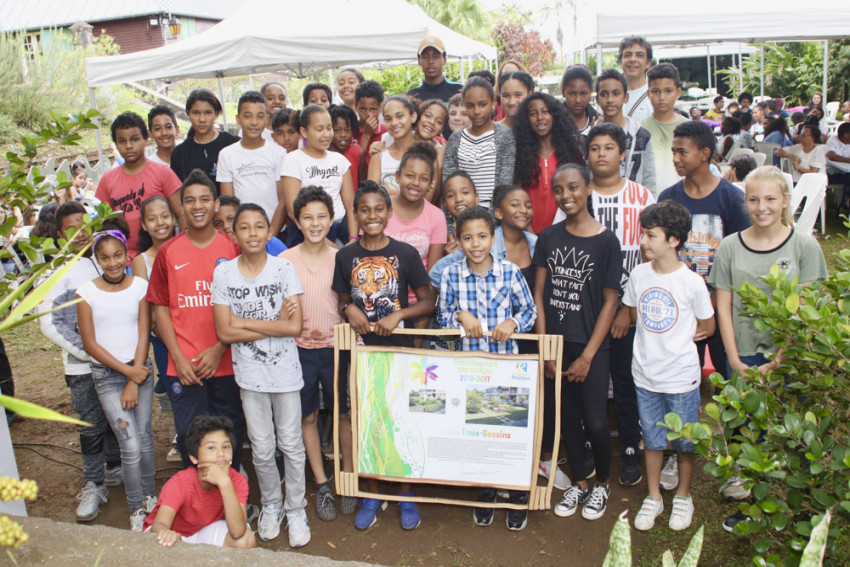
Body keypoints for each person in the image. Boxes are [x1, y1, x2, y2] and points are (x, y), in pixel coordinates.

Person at [707, 166, 827, 531]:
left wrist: (779, 360)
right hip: (741, 356)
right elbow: (722, 306)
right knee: (747, 432)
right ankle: (753, 506)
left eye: (771, 199)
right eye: (754, 199)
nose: (762, 207)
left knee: (794, 431)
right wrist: (733, 358)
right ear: (745, 201)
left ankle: (804, 504)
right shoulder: (729, 246)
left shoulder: (804, 247)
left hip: (788, 359)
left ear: (786, 200)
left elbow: (802, 311)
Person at [332, 181, 436, 531]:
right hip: (360, 356)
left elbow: (427, 300)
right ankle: (371, 495)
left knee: (401, 421)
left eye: (379, 209)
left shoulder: (405, 253)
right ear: (357, 214)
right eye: (365, 210)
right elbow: (342, 296)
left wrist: (399, 315)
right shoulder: (345, 255)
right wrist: (348, 308)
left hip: (397, 352)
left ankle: (406, 495)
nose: (372, 216)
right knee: (365, 423)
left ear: (389, 214)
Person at [657, 120, 751, 491]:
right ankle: (674, 452)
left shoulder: (730, 198)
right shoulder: (668, 197)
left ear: (705, 154)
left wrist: (713, 305)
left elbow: (740, 253)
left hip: (720, 310)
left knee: (731, 384)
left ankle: (739, 463)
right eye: (674, 150)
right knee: (679, 385)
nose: (676, 157)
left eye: (682, 151)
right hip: (682, 314)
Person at [211, 203, 310, 547]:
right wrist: (273, 326)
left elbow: (294, 326)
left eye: (259, 227)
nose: (252, 233)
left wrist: (243, 322)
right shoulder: (224, 274)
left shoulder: (283, 269)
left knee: (292, 445)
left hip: (285, 374)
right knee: (263, 449)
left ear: (270, 231)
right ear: (233, 233)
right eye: (244, 227)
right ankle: (271, 505)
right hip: (249, 376)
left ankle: (296, 508)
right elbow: (224, 333)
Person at [437, 205, 536, 531]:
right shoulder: (452, 275)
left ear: (492, 238)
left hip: (507, 367)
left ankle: (519, 493)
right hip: (470, 368)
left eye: (482, 236)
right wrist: (458, 316)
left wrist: (512, 322)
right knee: (478, 427)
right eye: (467, 238)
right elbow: (442, 315)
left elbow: (530, 312)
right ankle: (487, 488)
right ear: (457, 240)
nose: (475, 244)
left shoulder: (510, 272)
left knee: (510, 428)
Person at [533, 164, 621, 521]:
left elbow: (611, 301)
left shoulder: (606, 241)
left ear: (587, 188)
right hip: (557, 344)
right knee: (567, 417)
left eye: (573, 187)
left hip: (591, 346)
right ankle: (581, 482)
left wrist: (588, 355)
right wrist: (545, 348)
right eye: (558, 190)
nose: (566, 195)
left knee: (596, 422)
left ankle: (602, 482)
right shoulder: (549, 237)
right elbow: (539, 293)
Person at [145, 170, 244, 471]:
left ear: (216, 205)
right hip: (184, 367)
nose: (197, 206)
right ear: (182, 207)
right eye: (189, 201)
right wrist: (178, 358)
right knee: (193, 437)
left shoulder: (233, 248)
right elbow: (160, 308)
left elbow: (242, 306)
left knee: (230, 433)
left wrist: (218, 349)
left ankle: (233, 499)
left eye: (204, 199)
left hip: (227, 362)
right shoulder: (168, 252)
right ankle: (202, 509)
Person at [625, 200, 715, 532]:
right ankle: (653, 497)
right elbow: (634, 314)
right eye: (643, 234)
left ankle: (683, 496)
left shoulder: (691, 282)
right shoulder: (639, 274)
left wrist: (680, 342)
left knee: (685, 441)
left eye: (650, 235)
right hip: (645, 374)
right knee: (652, 438)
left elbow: (709, 325)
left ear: (673, 240)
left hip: (681, 378)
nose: (643, 242)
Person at [37, 202, 121, 522]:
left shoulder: (101, 263)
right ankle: (93, 482)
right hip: (82, 367)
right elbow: (50, 323)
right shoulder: (55, 272)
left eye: (83, 226)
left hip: (111, 363)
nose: (78, 234)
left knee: (114, 415)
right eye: (70, 229)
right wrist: (88, 352)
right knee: (90, 423)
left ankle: (115, 467)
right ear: (59, 234)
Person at [586, 123, 656, 488]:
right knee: (591, 381)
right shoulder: (580, 197)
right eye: (594, 148)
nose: (601, 154)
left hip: (630, 310)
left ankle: (630, 445)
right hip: (588, 312)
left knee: (626, 380)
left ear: (623, 154)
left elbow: (649, 255)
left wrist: (627, 308)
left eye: (609, 147)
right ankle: (586, 445)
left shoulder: (642, 198)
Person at [280, 187, 355, 522]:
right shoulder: (284, 262)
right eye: (307, 217)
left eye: (321, 216)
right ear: (297, 220)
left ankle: (348, 477)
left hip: (336, 348)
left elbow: (349, 305)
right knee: (307, 416)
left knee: (343, 414)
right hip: (298, 353)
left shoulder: (343, 257)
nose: (314, 223)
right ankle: (323, 483)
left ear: (331, 218)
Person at [77, 229, 156, 531]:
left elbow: (143, 330)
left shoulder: (139, 286)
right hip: (108, 376)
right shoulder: (86, 292)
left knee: (146, 438)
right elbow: (90, 343)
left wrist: (135, 376)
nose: (112, 263)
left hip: (140, 369)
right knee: (130, 444)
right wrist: (127, 376)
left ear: (127, 255)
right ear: (96, 260)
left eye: (118, 256)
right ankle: (136, 509)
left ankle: (151, 497)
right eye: (104, 257)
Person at [145, 415, 256, 549]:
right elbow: (159, 524)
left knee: (246, 540)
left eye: (226, 447)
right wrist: (168, 534)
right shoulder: (180, 482)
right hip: (170, 535)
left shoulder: (236, 480)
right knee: (163, 543)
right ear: (194, 458)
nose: (220, 453)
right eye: (211, 448)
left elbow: (238, 532)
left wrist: (225, 484)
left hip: (199, 531)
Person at [95, 112, 183, 258]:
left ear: (146, 139)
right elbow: (103, 223)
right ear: (116, 144)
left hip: (164, 255)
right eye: (122, 141)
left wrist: (183, 248)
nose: (129, 146)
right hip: (126, 260)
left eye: (134, 139)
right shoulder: (107, 180)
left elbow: (181, 214)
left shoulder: (162, 173)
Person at [282, 105, 356, 246]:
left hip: (340, 228)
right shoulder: (293, 160)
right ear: (304, 131)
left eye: (329, 128)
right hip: (306, 233)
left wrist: (353, 238)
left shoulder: (340, 160)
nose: (326, 134)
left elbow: (350, 204)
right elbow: (292, 209)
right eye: (319, 129)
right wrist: (325, 243)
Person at [217, 90, 287, 236]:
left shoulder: (279, 153)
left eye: (260, 116)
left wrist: (270, 234)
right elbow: (229, 205)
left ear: (267, 119)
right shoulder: (226, 154)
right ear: (238, 119)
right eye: (247, 116)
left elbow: (283, 201)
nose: (254, 122)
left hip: (275, 232)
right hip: (242, 235)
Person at [513, 92, 584, 233]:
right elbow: (516, 198)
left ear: (555, 116)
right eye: (533, 113)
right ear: (527, 119)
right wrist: (529, 234)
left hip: (566, 232)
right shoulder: (520, 155)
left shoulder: (570, 153)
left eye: (545, 112)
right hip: (529, 234)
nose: (540, 118)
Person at [443, 77, 516, 208]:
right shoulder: (455, 139)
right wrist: (450, 226)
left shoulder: (505, 136)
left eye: (482, 104)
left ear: (493, 102)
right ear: (464, 104)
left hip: (495, 218)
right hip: (463, 216)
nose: (477, 111)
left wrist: (489, 222)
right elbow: (448, 186)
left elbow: (504, 185)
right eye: (470, 106)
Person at [384, 143, 447, 287]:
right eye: (410, 176)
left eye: (424, 179)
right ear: (398, 177)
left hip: (418, 300)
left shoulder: (436, 216)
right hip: (379, 294)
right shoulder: (381, 209)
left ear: (431, 184)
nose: (416, 183)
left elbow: (432, 273)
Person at [596, 68, 657, 194]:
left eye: (616, 93)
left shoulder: (641, 136)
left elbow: (649, 180)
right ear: (597, 99)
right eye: (604, 94)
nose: (610, 100)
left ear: (625, 97)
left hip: (634, 208)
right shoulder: (592, 136)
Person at [170, 89, 240, 192]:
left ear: (216, 114)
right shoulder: (179, 154)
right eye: (196, 113)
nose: (202, 119)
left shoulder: (233, 144)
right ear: (188, 114)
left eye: (208, 113)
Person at [641, 63, 688, 192]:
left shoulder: (691, 129)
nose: (662, 97)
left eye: (668, 91)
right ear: (648, 93)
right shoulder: (639, 130)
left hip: (684, 203)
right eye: (656, 91)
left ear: (678, 92)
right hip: (650, 203)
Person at [368, 96, 419, 197]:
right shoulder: (379, 156)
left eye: (399, 116)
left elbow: (426, 198)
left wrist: (390, 192)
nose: (394, 123)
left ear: (413, 116)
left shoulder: (426, 153)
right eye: (388, 119)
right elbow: (371, 195)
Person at [214, 195, 287, 256]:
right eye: (219, 223)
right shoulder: (218, 251)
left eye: (230, 219)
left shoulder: (271, 243)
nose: (226, 226)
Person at [407, 36, 462, 103]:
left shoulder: (459, 90)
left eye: (436, 56)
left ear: (444, 60)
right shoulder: (413, 96)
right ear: (419, 61)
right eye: (425, 57)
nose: (431, 61)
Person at [439, 171, 478, 255]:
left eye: (465, 192)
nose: (459, 199)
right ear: (445, 204)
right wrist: (449, 257)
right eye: (451, 195)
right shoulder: (444, 233)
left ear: (476, 198)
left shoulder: (487, 226)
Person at [355, 80, 388, 179]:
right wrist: (366, 135)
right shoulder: (351, 131)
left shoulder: (386, 131)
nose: (368, 114)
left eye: (373, 109)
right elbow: (355, 162)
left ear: (380, 107)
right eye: (363, 109)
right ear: (356, 106)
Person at [618, 36, 654, 122]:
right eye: (627, 55)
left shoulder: (654, 96)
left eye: (639, 55)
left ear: (648, 63)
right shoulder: (611, 94)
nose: (633, 59)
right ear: (620, 62)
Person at [330, 104, 362, 190]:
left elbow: (362, 181)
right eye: (337, 130)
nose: (343, 135)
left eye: (348, 130)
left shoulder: (357, 152)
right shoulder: (323, 154)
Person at [561, 65, 599, 137]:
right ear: (563, 92)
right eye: (572, 93)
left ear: (590, 93)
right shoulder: (554, 121)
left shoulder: (598, 121)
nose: (578, 100)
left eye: (583, 94)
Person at [826, 123, 850, 209]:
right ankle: (845, 203)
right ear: (846, 135)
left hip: (846, 171)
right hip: (832, 173)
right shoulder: (832, 140)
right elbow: (832, 156)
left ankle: (845, 202)